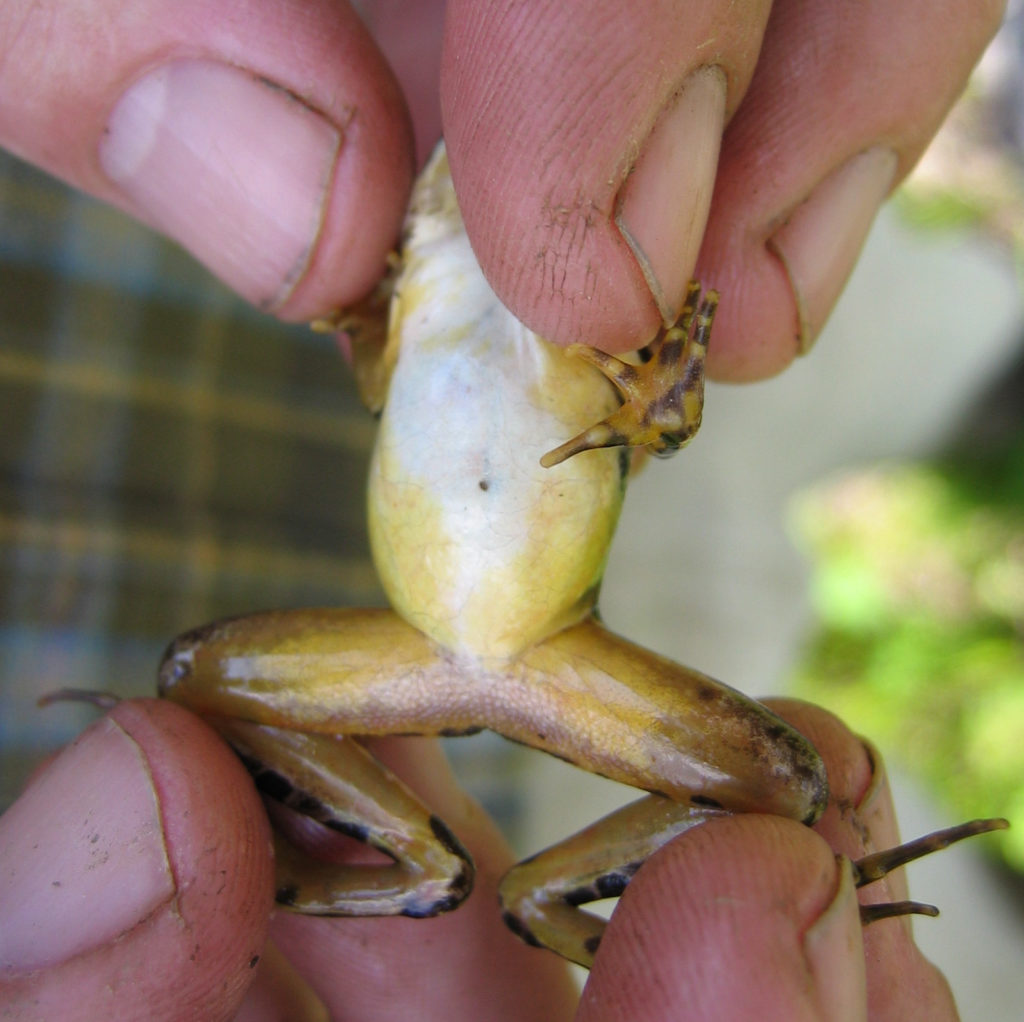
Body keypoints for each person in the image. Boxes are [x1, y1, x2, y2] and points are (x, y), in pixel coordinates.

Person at [0, 1, 1005, 1018]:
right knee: (191, 675)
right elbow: (641, 409)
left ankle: (545, 891)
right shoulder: (480, 286)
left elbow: (652, 420)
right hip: (439, 643)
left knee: (785, 781)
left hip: (544, 649)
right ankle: (411, 861)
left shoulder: (549, 298)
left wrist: (663, 383)